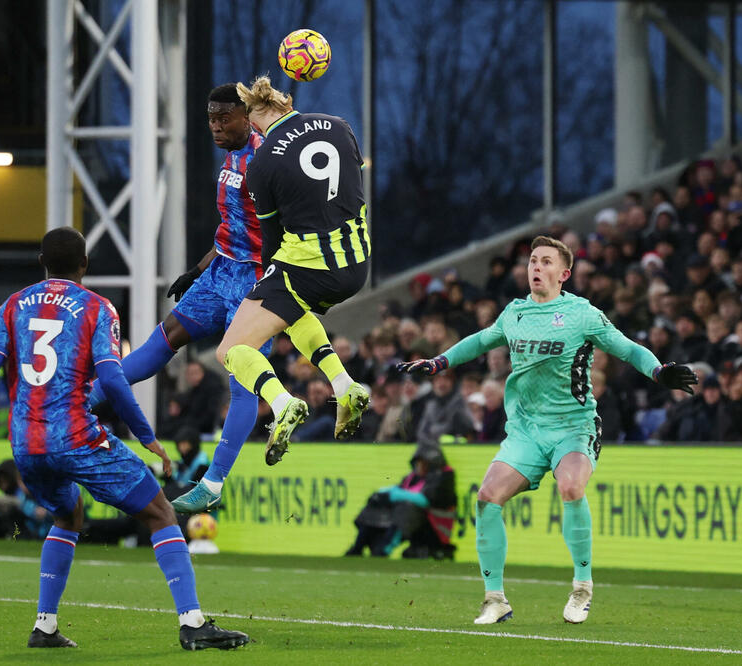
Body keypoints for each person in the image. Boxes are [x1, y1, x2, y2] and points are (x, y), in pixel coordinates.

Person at [0, 227, 248, 651]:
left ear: (41, 263)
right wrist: (146, 436)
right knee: (162, 512)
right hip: (75, 437)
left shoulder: (14, 304)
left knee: (67, 515)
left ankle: (45, 626)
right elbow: (111, 376)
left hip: (26, 445)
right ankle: (193, 622)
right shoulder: (96, 307)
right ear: (85, 266)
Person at [397, 236, 696, 626]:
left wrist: (658, 370)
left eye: (545, 262)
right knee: (487, 498)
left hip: (574, 427)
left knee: (570, 486)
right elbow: (480, 341)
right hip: (526, 432)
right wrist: (439, 362)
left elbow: (626, 348)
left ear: (564, 273)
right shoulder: (515, 313)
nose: (535, 267)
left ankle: (582, 588)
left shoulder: (582, 313)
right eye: (532, 261)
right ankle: (495, 599)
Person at [87, 84, 267, 516]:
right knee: (164, 337)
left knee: (241, 377)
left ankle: (214, 480)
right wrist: (198, 269)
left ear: (247, 117)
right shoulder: (230, 160)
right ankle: (79, 402)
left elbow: (284, 227)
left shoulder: (267, 162)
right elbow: (230, 229)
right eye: (211, 119)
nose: (216, 126)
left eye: (225, 118)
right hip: (220, 270)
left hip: (256, 281)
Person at [217, 76, 371, 467]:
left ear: (253, 120)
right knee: (289, 310)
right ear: (286, 103)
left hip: (309, 267)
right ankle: (344, 384)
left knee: (231, 349)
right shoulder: (340, 126)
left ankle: (283, 402)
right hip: (358, 263)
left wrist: (262, 281)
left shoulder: (262, 162)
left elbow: (271, 240)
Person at [345, 446, 457, 559]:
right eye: (418, 463)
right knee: (376, 502)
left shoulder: (443, 477)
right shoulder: (413, 477)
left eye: (423, 463)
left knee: (406, 509)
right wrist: (383, 493)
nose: (419, 466)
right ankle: (358, 546)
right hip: (418, 520)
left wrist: (395, 494)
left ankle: (383, 549)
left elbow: (426, 501)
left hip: (435, 526)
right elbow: (400, 489)